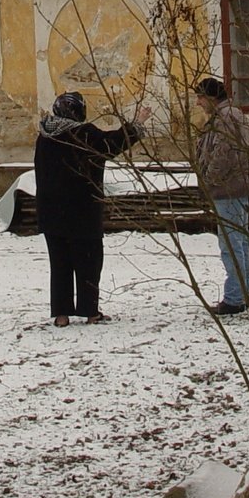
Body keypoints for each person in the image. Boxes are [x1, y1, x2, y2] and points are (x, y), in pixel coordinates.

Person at [33, 90, 149, 326]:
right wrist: (137, 124)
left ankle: (62, 315)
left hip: (51, 211)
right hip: (81, 210)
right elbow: (112, 144)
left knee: (60, 264)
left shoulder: (45, 136)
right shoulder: (84, 134)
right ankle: (90, 311)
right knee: (88, 262)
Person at [193, 76, 249, 317]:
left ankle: (235, 298)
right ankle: (240, 295)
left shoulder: (226, 118)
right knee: (239, 243)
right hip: (233, 189)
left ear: (211, 97)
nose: (198, 103)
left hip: (228, 190)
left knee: (231, 245)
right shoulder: (227, 116)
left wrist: (208, 178)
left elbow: (223, 153)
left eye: (200, 97)